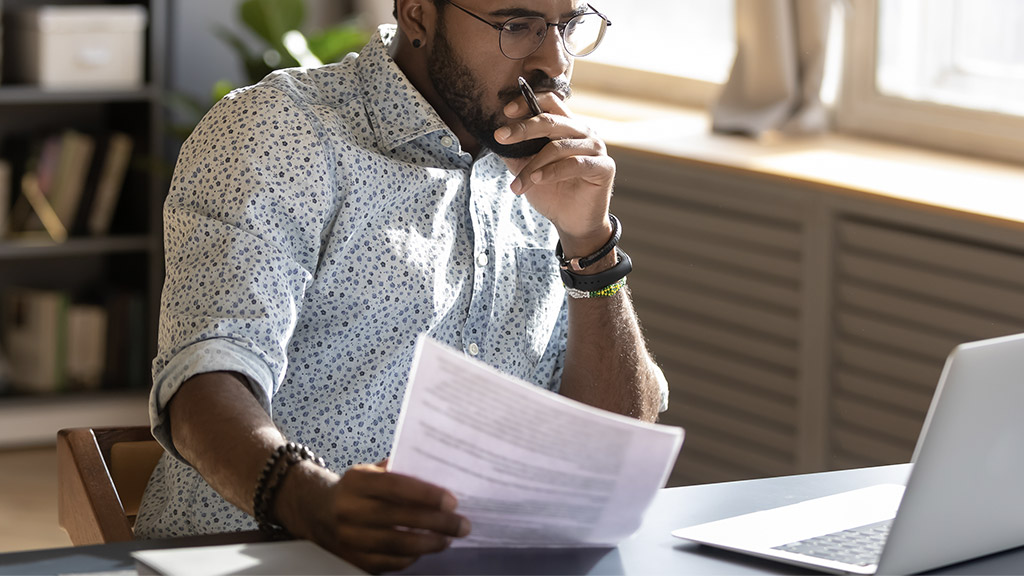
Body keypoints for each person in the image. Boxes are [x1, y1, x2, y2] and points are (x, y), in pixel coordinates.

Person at [135, 0, 669, 572]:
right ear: (418, 15)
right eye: (517, 26)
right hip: (255, 559)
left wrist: (590, 245)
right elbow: (203, 380)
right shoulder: (280, 131)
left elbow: (613, 441)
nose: (554, 61)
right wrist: (313, 503)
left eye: (568, 27)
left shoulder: (552, 164)